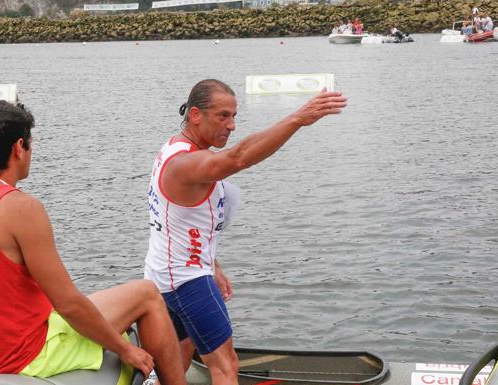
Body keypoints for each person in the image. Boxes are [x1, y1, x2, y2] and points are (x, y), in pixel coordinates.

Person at [0, 100, 186, 385]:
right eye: (30, 143)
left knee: (109, 301)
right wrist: (126, 350)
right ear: (18, 147)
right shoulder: (19, 207)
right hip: (26, 355)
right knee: (147, 294)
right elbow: (67, 303)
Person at [143, 79, 347, 385]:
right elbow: (238, 158)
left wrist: (212, 263)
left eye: (234, 116)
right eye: (223, 116)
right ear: (196, 115)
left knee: (180, 359)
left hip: (164, 275)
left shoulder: (175, 146)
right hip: (186, 281)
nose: (232, 125)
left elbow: (181, 223)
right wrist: (297, 119)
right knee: (225, 365)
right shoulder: (184, 163)